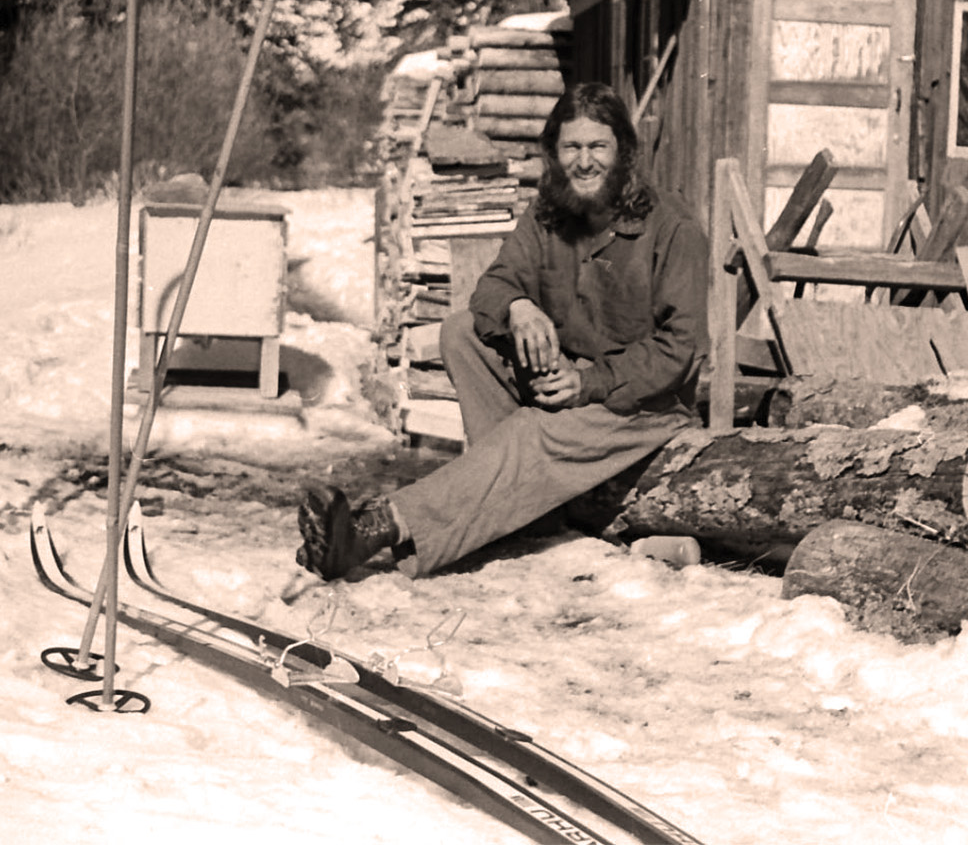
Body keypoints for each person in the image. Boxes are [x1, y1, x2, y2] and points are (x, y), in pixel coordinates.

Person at [297, 82, 709, 581]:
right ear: (555, 154)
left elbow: (679, 351)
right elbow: (493, 286)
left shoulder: (672, 229)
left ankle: (372, 530)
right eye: (571, 148)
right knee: (463, 333)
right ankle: (521, 510)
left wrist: (589, 382)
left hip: (642, 403)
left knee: (530, 432)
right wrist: (518, 307)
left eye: (598, 147)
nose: (584, 162)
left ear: (623, 151)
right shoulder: (549, 213)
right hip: (570, 382)